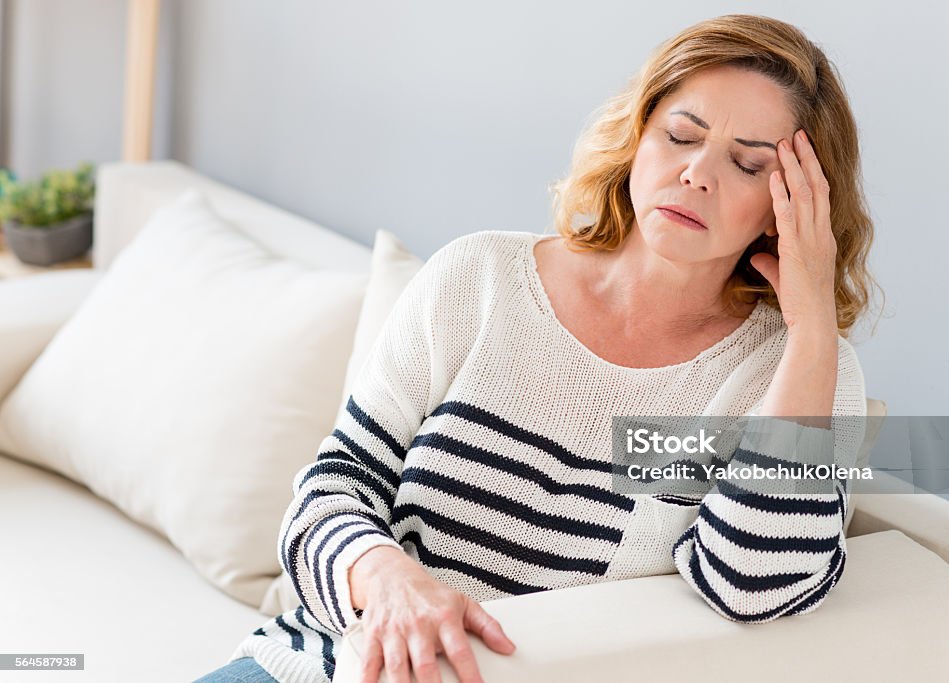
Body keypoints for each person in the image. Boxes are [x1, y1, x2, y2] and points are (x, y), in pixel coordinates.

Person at [196, 12, 877, 683]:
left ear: (794, 206)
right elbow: (328, 492)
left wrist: (813, 328)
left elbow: (753, 585)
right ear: (639, 133)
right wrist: (385, 575)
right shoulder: (479, 277)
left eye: (748, 164)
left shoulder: (798, 373)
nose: (697, 172)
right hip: (316, 663)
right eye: (679, 135)